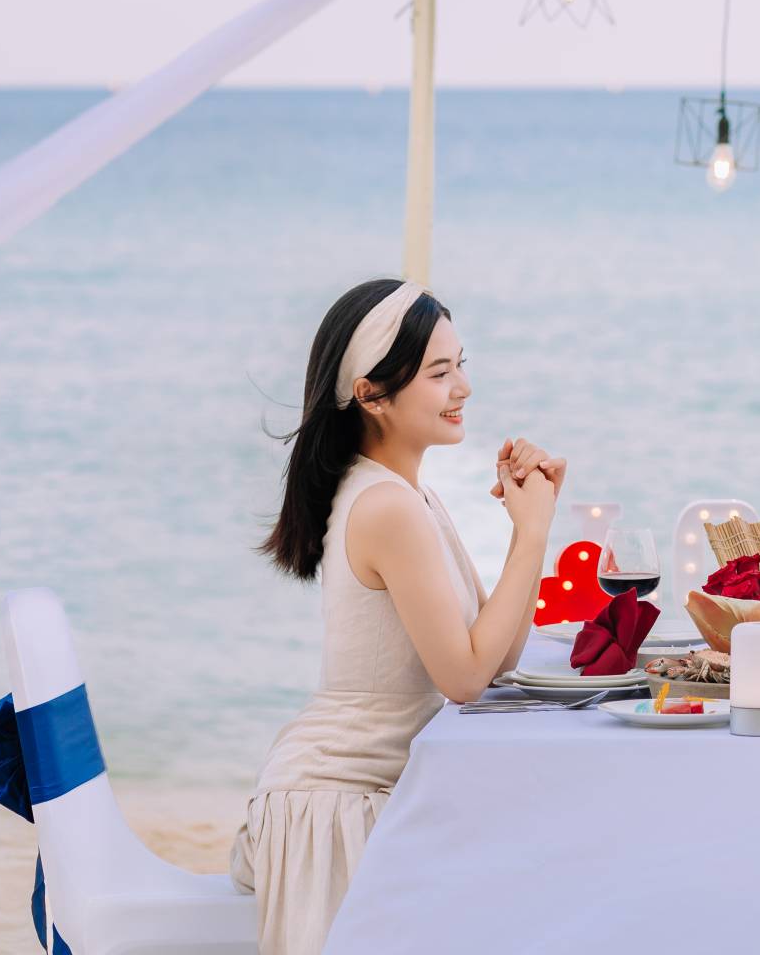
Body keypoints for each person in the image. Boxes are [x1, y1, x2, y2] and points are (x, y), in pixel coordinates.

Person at [229, 279, 564, 955]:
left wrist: (528, 526)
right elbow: (464, 680)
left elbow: (499, 660)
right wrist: (532, 534)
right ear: (371, 395)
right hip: (338, 803)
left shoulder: (411, 497)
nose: (463, 387)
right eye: (439, 373)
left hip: (372, 790)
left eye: (460, 364)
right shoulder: (388, 508)